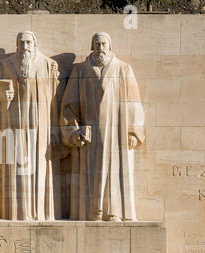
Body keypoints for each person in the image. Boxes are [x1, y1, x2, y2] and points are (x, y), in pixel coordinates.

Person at [60, 32, 145, 221]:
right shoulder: (80, 71)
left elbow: (133, 103)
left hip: (116, 133)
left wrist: (133, 131)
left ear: (110, 46)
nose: (100, 48)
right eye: (97, 44)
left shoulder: (123, 69)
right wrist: (74, 131)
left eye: (104, 44)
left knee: (115, 172)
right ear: (92, 46)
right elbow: (69, 106)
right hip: (90, 135)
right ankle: (92, 212)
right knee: (91, 174)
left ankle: (114, 211)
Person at [0, 31, 63, 221]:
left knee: (38, 166)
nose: (25, 46)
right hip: (11, 126)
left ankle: (38, 212)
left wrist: (55, 131)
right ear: (16, 45)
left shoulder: (48, 65)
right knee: (15, 167)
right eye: (21, 42)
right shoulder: (3, 65)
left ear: (34, 43)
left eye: (28, 42)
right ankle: (15, 212)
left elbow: (53, 100)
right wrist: (0, 97)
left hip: (40, 128)